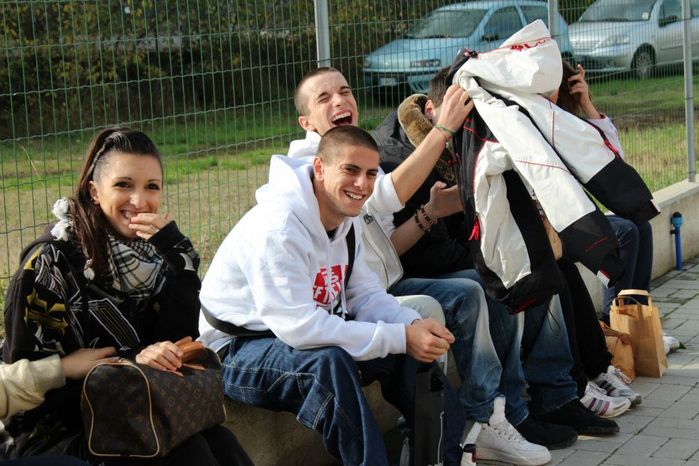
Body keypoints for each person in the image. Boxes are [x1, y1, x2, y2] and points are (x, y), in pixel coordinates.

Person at [286, 67, 566, 465]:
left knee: (493, 282)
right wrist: (443, 130)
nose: (340, 101)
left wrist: (430, 213)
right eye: (324, 98)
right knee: (445, 303)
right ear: (307, 123)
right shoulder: (305, 165)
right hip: (337, 305)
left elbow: (387, 248)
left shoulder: (363, 154)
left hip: (374, 288)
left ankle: (506, 412)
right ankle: (457, 427)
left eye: (345, 91)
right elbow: (386, 195)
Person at [373, 65, 623, 437]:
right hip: (415, 270)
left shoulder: (470, 136)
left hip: (452, 253)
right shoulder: (398, 155)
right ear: (431, 110)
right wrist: (494, 255)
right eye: (462, 117)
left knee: (541, 265)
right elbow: (427, 254)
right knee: (504, 277)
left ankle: (560, 394)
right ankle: (510, 413)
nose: (470, 126)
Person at [199, 125, 467, 466]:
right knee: (330, 363)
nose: (362, 184)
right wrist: (398, 336)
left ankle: (442, 459)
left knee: (412, 351)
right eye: (351, 170)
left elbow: (365, 295)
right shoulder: (279, 228)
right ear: (320, 167)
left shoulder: (346, 219)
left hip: (298, 333)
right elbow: (301, 328)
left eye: (371, 174)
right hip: (237, 349)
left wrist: (410, 325)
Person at [2, 128, 252, 466]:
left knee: (220, 440)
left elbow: (179, 336)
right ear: (94, 191)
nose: (139, 200)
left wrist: (178, 258)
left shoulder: (154, 256)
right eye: (123, 185)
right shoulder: (50, 265)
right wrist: (131, 361)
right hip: (59, 430)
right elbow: (31, 384)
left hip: (136, 407)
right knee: (186, 452)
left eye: (152, 187)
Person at [550, 62, 643, 410]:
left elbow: (615, 157)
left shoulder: (567, 120)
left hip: (573, 217)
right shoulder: (530, 119)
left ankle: (630, 320)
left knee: (638, 224)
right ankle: (610, 324)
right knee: (624, 232)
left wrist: (586, 104)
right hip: (556, 223)